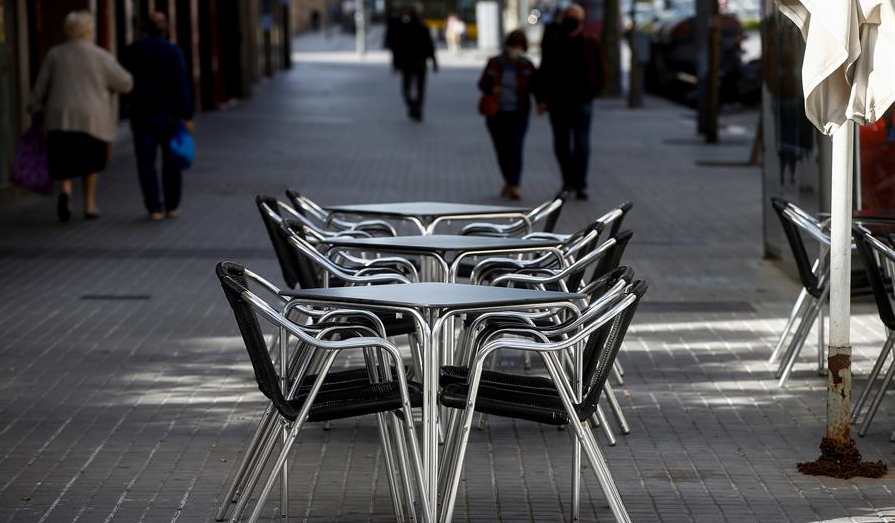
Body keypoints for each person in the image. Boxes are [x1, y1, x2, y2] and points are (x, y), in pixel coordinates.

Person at [30, 11, 133, 222]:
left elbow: (41, 86)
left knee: (65, 159)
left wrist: (32, 106)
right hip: (92, 119)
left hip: (60, 118)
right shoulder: (100, 55)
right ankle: (89, 204)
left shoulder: (55, 54)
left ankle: (66, 192)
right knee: (91, 161)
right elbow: (125, 82)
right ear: (89, 30)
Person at [123, 12, 194, 221]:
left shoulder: (132, 51)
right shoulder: (173, 51)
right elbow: (182, 84)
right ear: (165, 29)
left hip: (142, 115)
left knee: (146, 163)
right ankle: (171, 205)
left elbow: (124, 83)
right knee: (171, 163)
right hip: (169, 116)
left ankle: (153, 208)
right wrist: (186, 115)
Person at [537, 3, 605, 200]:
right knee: (562, 144)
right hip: (558, 102)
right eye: (568, 16)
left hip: (582, 101)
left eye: (574, 17)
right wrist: (542, 99)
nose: (570, 21)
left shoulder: (591, 44)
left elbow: (601, 71)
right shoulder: (554, 43)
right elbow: (544, 72)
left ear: (581, 21)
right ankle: (568, 182)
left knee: (581, 143)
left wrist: (593, 92)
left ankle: (580, 183)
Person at [478, 30, 538, 200]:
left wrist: (542, 102)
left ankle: (514, 184)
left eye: (519, 47)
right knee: (502, 149)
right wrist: (492, 89)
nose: (516, 50)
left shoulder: (527, 66)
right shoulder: (494, 63)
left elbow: (536, 86)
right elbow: (482, 84)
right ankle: (509, 180)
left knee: (516, 148)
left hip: (518, 114)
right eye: (513, 46)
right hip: (497, 114)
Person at [389, 5, 437, 121]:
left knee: (406, 88)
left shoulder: (403, 28)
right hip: (420, 63)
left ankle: (412, 106)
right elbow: (430, 46)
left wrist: (395, 63)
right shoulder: (423, 27)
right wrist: (434, 62)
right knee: (420, 88)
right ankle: (417, 109)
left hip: (407, 63)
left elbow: (396, 47)